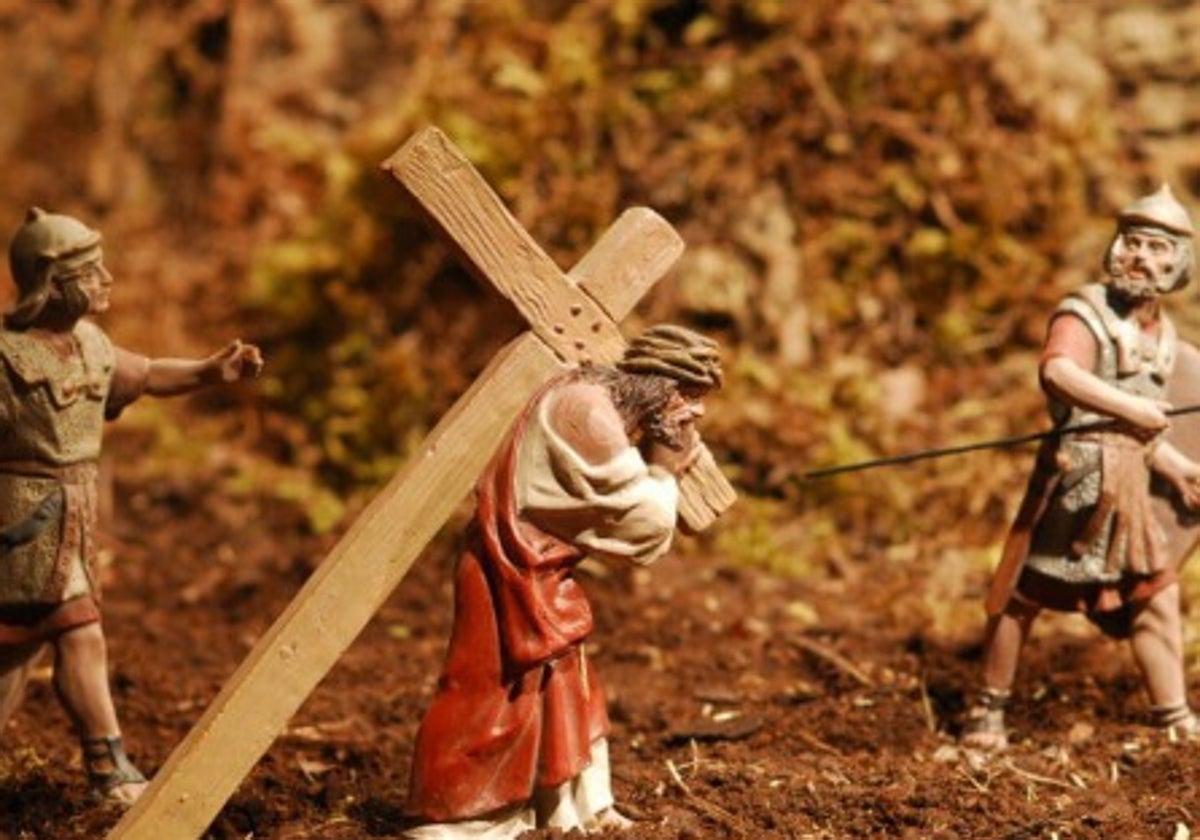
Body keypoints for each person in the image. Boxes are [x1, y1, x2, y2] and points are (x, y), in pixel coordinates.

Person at [404, 325, 722, 839]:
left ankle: (573, 808)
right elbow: (639, 520)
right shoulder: (588, 413)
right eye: (689, 395)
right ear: (660, 384)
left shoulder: (601, 407)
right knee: (493, 694)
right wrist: (663, 473)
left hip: (540, 570)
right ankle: (458, 816)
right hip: (507, 569)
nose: (696, 412)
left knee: (568, 692)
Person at [0, 207, 263, 804]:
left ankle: (107, 766)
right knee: (51, 637)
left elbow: (144, 375)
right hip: (18, 525)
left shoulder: (92, 346)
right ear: (51, 281)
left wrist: (207, 371)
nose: (107, 280)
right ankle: (109, 767)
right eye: (92, 271)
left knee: (46, 639)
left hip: (73, 522)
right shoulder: (6, 359)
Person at [964, 185, 1200, 750]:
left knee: (1155, 594)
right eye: (1132, 242)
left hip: (1132, 490)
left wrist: (1172, 464)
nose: (1139, 256)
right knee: (1022, 595)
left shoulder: (1166, 340)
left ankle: (1173, 716)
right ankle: (988, 712)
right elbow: (1060, 374)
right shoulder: (1085, 312)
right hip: (1076, 480)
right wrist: (1130, 408)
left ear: (1177, 264)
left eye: (1155, 248)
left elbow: (1141, 432)